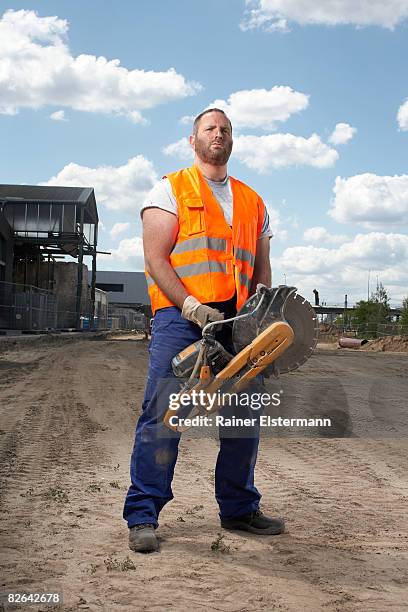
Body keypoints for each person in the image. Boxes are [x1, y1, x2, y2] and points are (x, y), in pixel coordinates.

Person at [123, 108, 285, 553]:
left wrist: (259, 313)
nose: (219, 134)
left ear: (232, 141)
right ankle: (143, 514)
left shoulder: (253, 201)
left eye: (226, 129)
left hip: (237, 321)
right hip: (181, 317)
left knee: (242, 416)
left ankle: (237, 509)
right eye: (210, 129)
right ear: (192, 140)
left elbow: (262, 267)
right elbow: (156, 259)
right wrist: (190, 305)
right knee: (165, 414)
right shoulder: (170, 189)